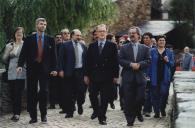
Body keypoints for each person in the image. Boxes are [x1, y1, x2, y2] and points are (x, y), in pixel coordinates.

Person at [17, 18, 57, 124]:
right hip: (32, 70)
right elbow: (23, 53)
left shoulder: (50, 39)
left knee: (44, 91)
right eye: (41, 24)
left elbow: (54, 56)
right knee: (31, 93)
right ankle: (33, 116)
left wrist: (54, 68)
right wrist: (20, 65)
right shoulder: (29, 39)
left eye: (44, 24)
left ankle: (44, 115)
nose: (43, 25)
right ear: (36, 25)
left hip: (45, 70)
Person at [84, 24, 119, 125]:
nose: (102, 33)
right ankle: (96, 110)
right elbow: (87, 62)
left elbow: (115, 62)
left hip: (107, 76)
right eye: (100, 31)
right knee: (92, 95)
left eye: (104, 31)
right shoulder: (92, 46)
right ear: (97, 33)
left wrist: (116, 76)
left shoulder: (112, 46)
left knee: (104, 98)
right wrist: (86, 75)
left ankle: (102, 117)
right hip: (94, 75)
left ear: (106, 32)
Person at [119, 26, 150, 126]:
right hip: (128, 77)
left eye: (134, 33)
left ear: (138, 35)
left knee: (140, 98)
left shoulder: (145, 48)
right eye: (130, 33)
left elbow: (148, 60)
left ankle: (138, 111)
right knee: (128, 100)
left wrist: (140, 65)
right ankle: (130, 120)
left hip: (140, 77)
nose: (132, 35)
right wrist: (130, 64)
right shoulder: (124, 47)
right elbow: (120, 60)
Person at [58, 29, 87, 118]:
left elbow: (86, 60)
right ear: (72, 35)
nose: (79, 37)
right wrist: (61, 70)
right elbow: (60, 59)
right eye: (77, 35)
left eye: (80, 36)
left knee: (81, 91)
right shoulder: (65, 45)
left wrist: (87, 73)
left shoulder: (83, 46)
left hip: (80, 72)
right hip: (69, 72)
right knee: (69, 92)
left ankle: (80, 104)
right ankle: (69, 112)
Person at [2, 27, 26, 122]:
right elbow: (4, 59)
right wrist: (9, 52)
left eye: (21, 32)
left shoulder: (26, 45)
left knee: (18, 93)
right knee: (12, 93)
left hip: (22, 71)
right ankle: (14, 112)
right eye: (17, 32)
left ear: (23, 34)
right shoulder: (9, 45)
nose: (19, 34)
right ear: (14, 34)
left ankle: (17, 114)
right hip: (11, 71)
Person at [149, 35, 174, 118]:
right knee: (154, 95)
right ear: (157, 42)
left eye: (163, 40)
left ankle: (162, 108)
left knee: (164, 94)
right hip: (154, 77)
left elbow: (172, 65)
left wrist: (167, 61)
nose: (162, 42)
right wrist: (147, 75)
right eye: (160, 40)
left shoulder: (169, 52)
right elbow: (148, 63)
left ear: (165, 42)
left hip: (165, 77)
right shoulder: (152, 51)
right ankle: (156, 111)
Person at [48, 33, 62, 109]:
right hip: (52, 70)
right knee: (52, 88)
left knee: (60, 88)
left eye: (60, 37)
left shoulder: (64, 47)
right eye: (57, 37)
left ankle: (61, 104)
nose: (59, 38)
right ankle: (52, 104)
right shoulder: (52, 47)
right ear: (55, 39)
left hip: (60, 70)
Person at [142, 32, 153, 117]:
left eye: (147, 38)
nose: (145, 39)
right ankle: (145, 108)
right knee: (142, 92)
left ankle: (147, 109)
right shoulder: (140, 48)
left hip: (152, 74)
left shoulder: (154, 50)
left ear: (151, 39)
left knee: (149, 92)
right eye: (144, 38)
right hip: (142, 73)